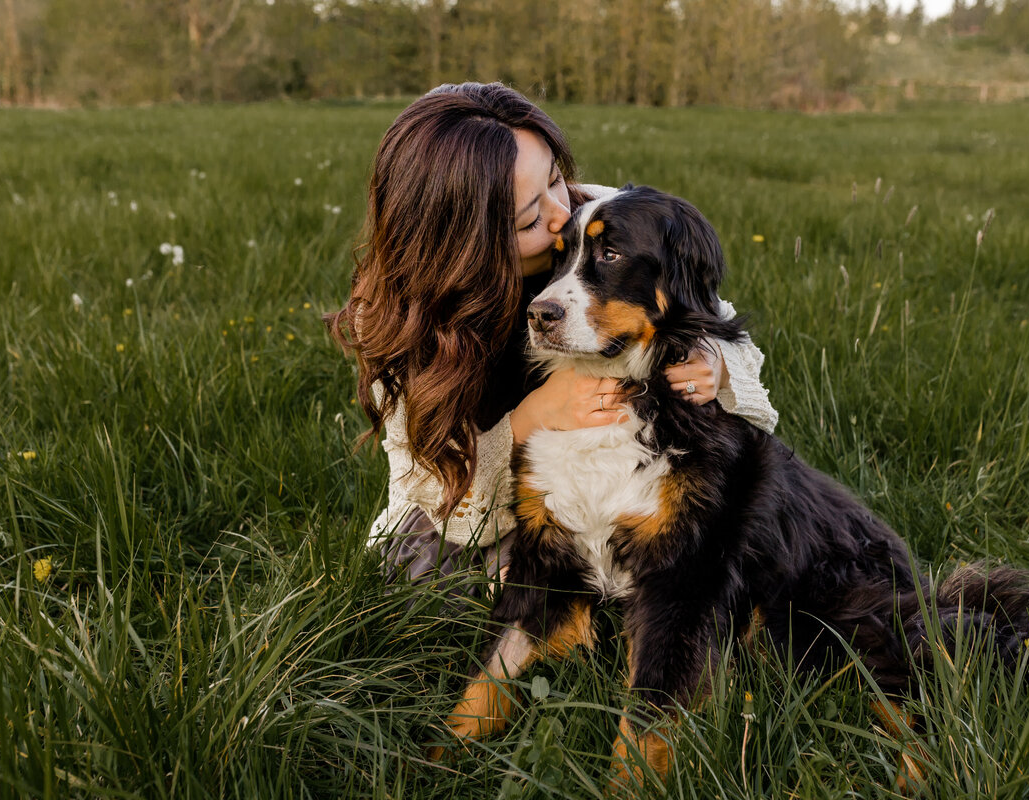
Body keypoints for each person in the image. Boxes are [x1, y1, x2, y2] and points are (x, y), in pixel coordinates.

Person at [327, 82, 777, 600]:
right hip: (463, 512)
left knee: (708, 542)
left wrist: (716, 364)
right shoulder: (404, 319)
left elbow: (708, 317)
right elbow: (429, 490)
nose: (560, 214)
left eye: (556, 179)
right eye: (528, 219)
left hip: (596, 475)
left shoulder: (597, 219)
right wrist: (534, 417)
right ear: (463, 245)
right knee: (496, 582)